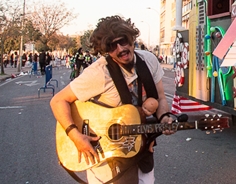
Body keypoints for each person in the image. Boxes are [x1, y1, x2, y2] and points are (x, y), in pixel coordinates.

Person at [50, 16, 174, 184]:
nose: (120, 48)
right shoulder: (99, 73)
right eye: (111, 46)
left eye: (123, 41)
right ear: (105, 50)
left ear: (131, 38)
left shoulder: (149, 61)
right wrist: (76, 136)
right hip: (105, 156)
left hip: (142, 148)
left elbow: (160, 97)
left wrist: (164, 117)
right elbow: (58, 101)